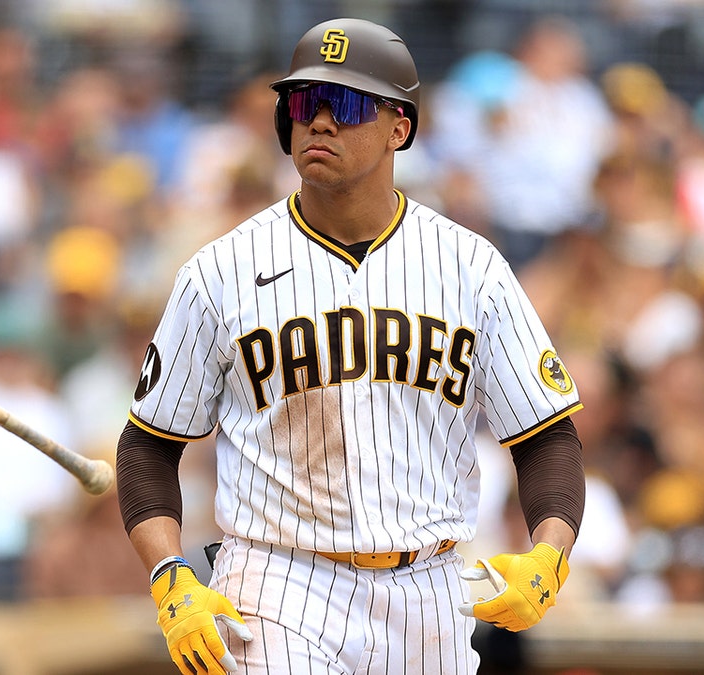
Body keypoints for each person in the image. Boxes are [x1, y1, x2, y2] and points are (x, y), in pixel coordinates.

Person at [114, 17, 586, 675]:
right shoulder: (221, 269)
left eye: (348, 104)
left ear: (400, 126)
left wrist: (549, 554)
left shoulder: (470, 267)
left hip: (431, 587)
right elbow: (148, 442)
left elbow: (546, 435)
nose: (321, 122)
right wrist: (168, 572)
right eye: (304, 104)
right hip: (278, 579)